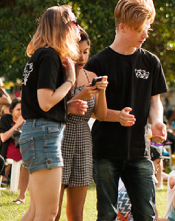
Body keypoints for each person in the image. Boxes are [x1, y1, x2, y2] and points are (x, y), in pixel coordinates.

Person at [84, 1, 168, 220]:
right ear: (122, 27)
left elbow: (155, 101)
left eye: (146, 29)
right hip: (105, 150)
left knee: (147, 214)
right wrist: (117, 116)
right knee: (106, 215)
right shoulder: (97, 63)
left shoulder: (151, 62)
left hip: (140, 150)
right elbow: (92, 110)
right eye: (139, 30)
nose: (145, 36)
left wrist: (157, 121)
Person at [19, 5, 83, 220]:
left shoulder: (38, 55)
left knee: (35, 211)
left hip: (35, 133)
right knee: (47, 213)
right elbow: (45, 102)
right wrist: (70, 81)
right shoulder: (49, 56)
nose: (78, 28)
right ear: (62, 26)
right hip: (44, 135)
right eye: (74, 22)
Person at [56, 27, 108, 221]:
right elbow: (49, 107)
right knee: (53, 212)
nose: (82, 56)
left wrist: (101, 91)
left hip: (84, 140)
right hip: (59, 137)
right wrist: (81, 95)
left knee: (77, 214)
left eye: (86, 51)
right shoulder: (59, 74)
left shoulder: (90, 75)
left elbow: (101, 115)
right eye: (78, 51)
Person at [117, 145, 168, 221]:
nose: (159, 166)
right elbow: (150, 205)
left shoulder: (136, 170)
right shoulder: (144, 176)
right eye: (158, 162)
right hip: (122, 205)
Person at [0, 98, 29, 204]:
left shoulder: (28, 121)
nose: (21, 112)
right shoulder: (6, 119)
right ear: (11, 110)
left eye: (23, 109)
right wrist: (17, 125)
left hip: (24, 147)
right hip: (8, 148)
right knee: (16, 155)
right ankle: (5, 179)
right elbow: (3, 138)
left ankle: (19, 184)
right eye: (18, 109)